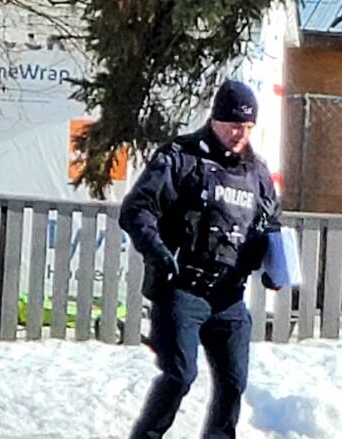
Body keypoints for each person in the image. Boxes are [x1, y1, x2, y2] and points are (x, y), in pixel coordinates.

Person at [120, 79, 281, 439]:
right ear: (216, 120)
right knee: (180, 374)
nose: (241, 134)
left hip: (229, 297)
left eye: (248, 127)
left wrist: (276, 265)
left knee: (234, 382)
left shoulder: (256, 172)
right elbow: (136, 210)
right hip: (182, 289)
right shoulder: (181, 157)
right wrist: (157, 252)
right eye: (234, 125)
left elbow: (271, 223)